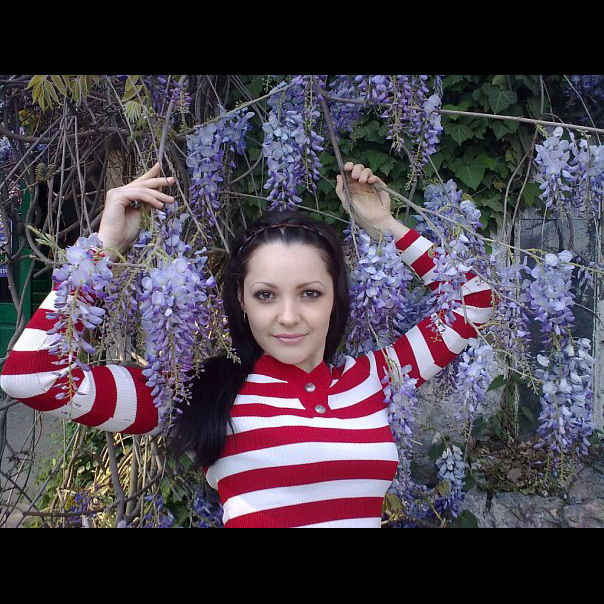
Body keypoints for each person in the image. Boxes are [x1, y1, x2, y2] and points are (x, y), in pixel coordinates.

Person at [0, 161, 497, 528]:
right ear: (241, 301)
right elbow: (32, 376)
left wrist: (384, 226)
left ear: (335, 298)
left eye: (310, 293)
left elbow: (474, 301)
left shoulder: (372, 380)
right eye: (266, 295)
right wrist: (105, 247)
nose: (288, 316)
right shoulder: (200, 392)